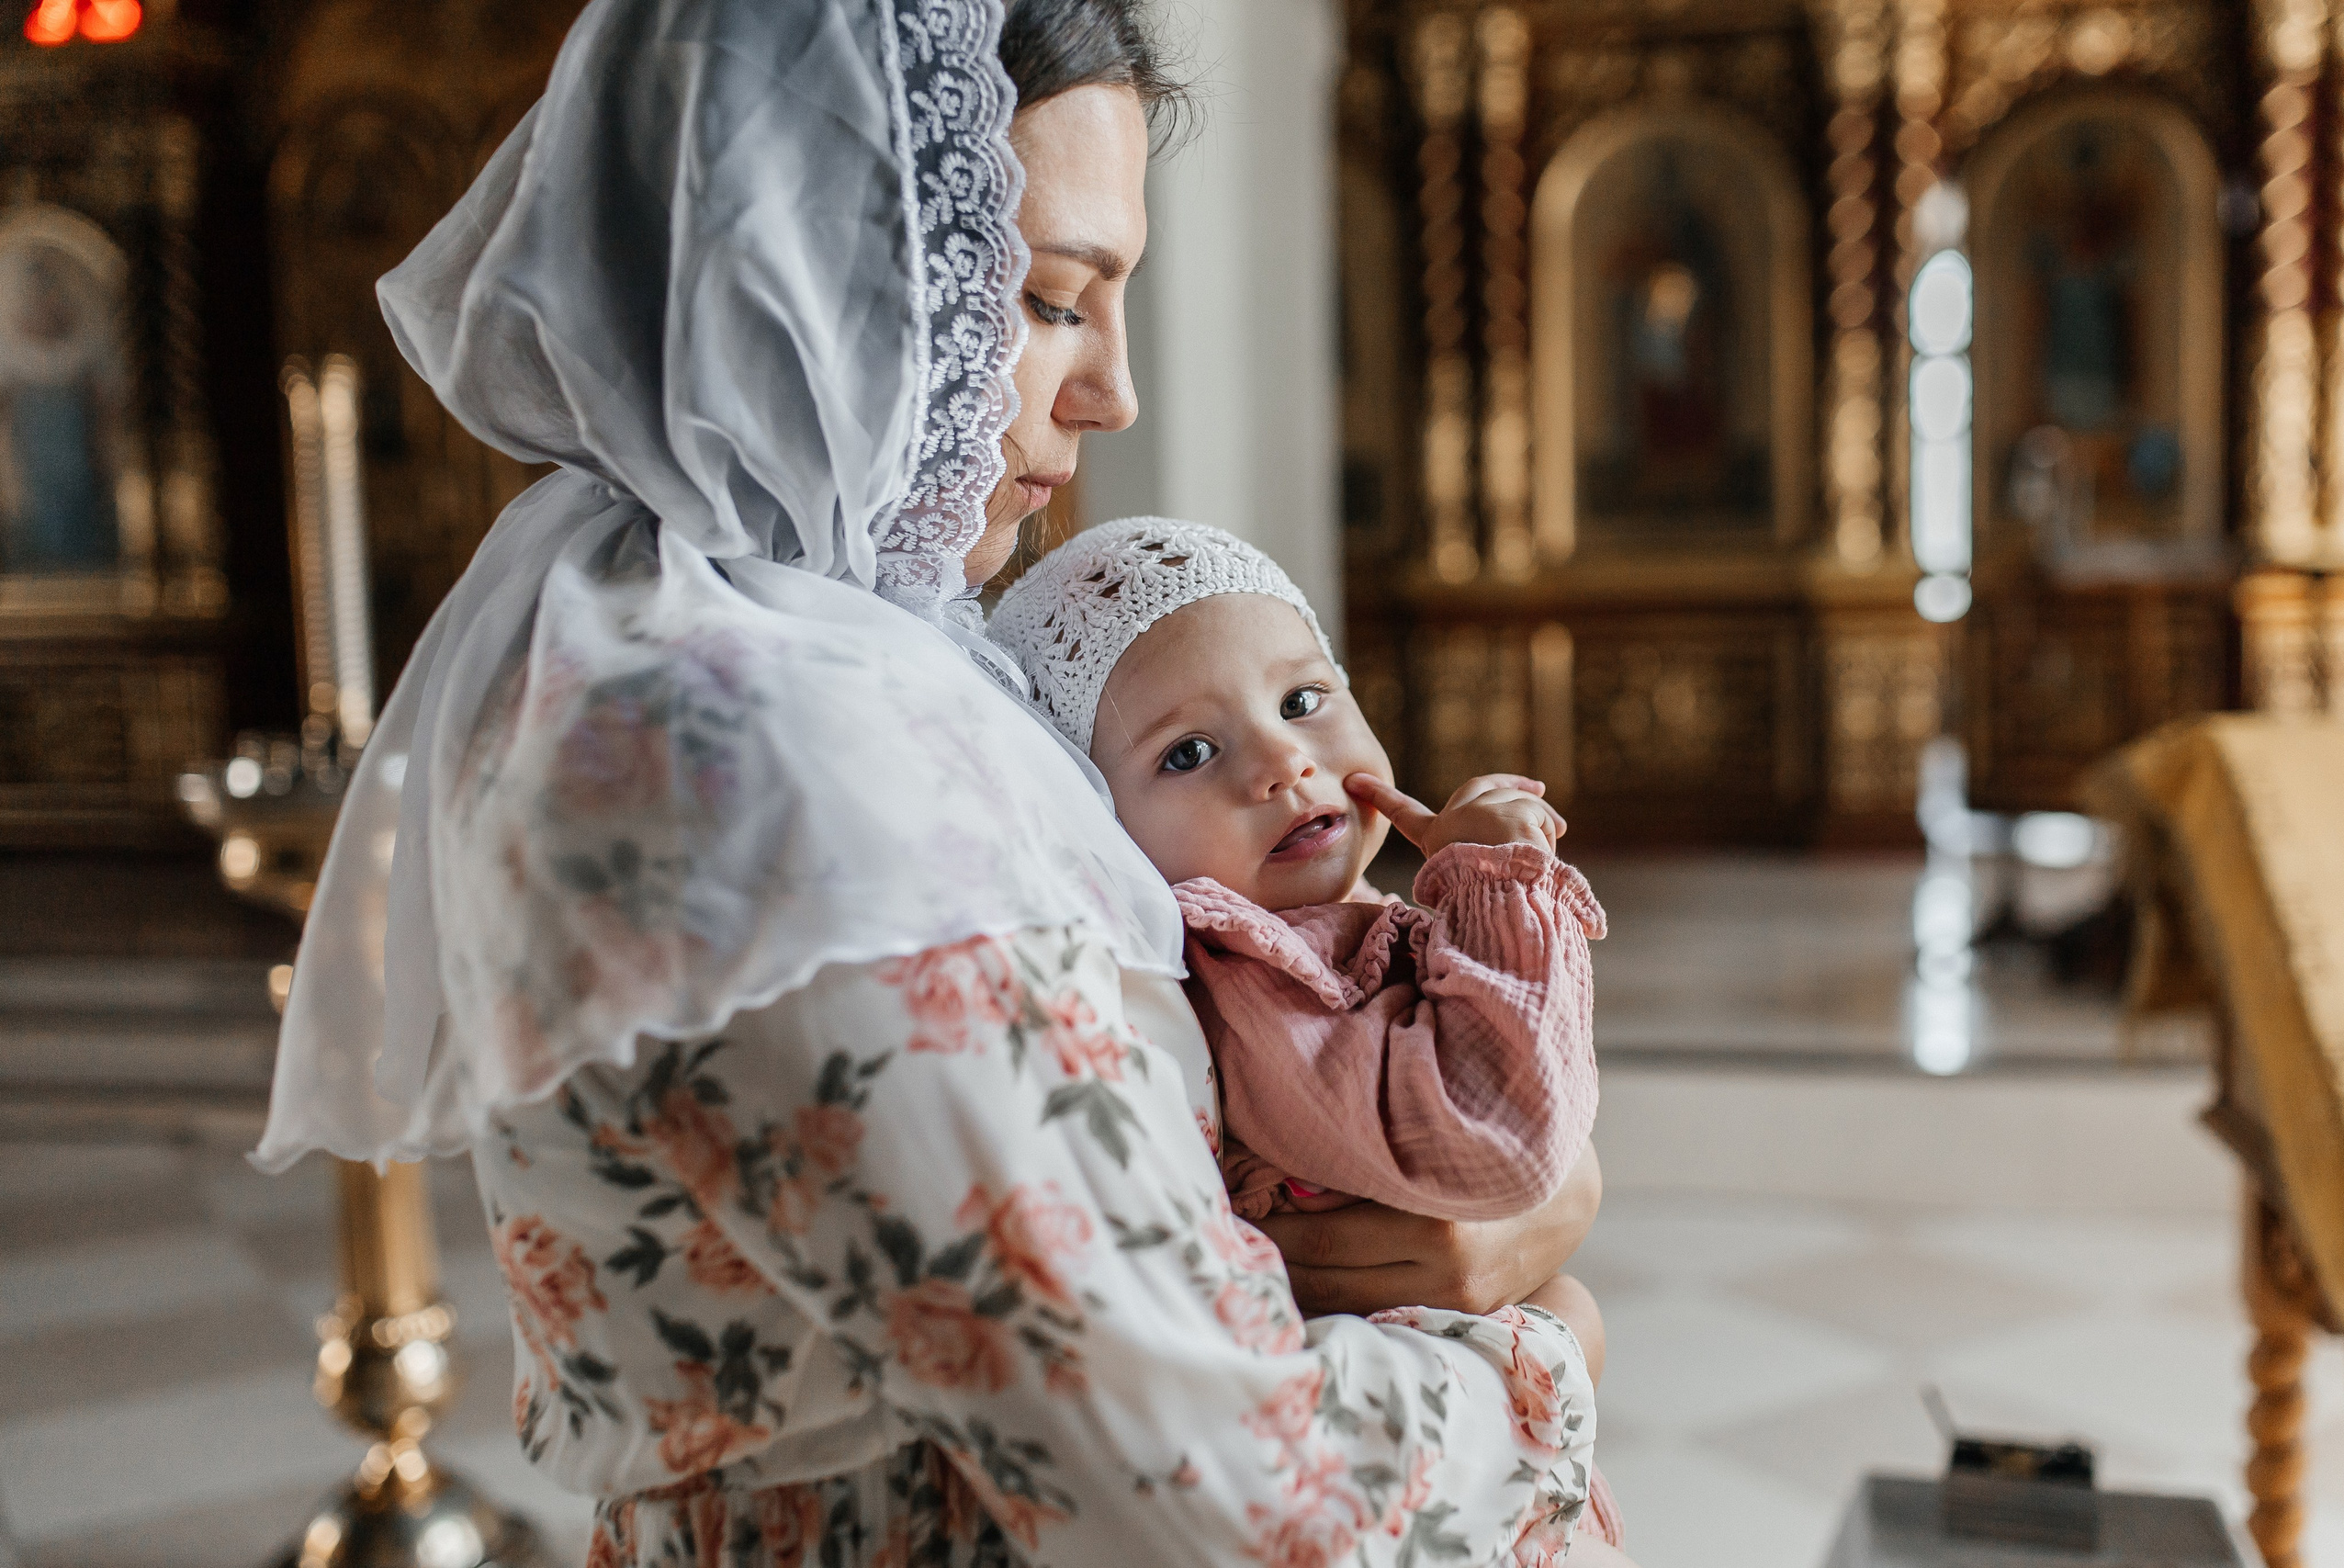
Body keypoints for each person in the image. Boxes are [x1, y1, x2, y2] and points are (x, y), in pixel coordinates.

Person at [252, 1, 1628, 1562]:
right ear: (813, 271)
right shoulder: (763, 744)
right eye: (1052, 300)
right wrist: (1545, 1343)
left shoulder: (827, 651)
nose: (1107, 393)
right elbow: (1221, 1495)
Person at [990, 517, 1624, 1549]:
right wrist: (1501, 891)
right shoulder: (1253, 971)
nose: (1285, 762)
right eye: (1189, 753)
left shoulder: (1341, 927)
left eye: (1302, 700)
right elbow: (1490, 1138)